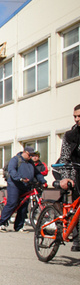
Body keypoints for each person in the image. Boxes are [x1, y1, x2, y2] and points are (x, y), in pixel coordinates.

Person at [0, 147, 47, 232]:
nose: (31, 157)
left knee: (23, 206)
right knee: (12, 203)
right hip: (15, 185)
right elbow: (12, 170)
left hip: (26, 185)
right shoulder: (15, 159)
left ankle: (19, 226)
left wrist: (43, 181)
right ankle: (1, 223)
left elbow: (37, 173)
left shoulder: (30, 162)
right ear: (25, 152)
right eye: (30, 155)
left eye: (32, 155)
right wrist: (19, 178)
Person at [56, 104, 80, 251]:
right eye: (75, 116)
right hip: (75, 172)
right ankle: (77, 239)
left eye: (79, 116)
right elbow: (64, 159)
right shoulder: (70, 135)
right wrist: (66, 178)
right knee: (76, 207)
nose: (77, 119)